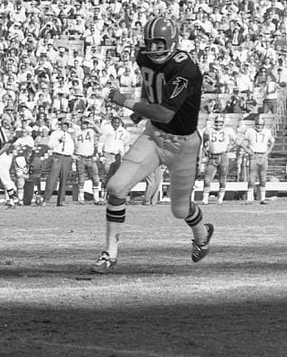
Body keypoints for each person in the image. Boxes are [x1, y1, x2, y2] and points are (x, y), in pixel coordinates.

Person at [90, 17, 214, 274]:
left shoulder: (186, 69)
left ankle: (202, 234)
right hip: (155, 135)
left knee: (180, 209)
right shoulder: (143, 58)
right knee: (115, 187)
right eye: (151, 43)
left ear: (171, 42)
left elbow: (167, 113)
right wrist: (141, 110)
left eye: (160, 42)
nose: (155, 48)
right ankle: (110, 253)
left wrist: (125, 102)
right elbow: (150, 88)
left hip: (184, 144)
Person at [201, 114, 235, 205]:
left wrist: (230, 147)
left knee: (222, 178)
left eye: (220, 122)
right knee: (207, 179)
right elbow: (204, 142)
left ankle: (220, 198)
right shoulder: (208, 130)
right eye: (217, 122)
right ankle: (205, 198)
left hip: (223, 155)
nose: (218, 124)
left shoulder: (228, 130)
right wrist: (205, 150)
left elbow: (235, 140)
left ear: (223, 123)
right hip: (212, 156)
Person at [40, 118, 74, 207]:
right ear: (60, 125)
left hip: (66, 157)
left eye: (67, 125)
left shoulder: (69, 135)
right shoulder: (55, 133)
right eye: (64, 124)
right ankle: (46, 199)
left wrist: (71, 155)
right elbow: (50, 145)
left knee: (64, 180)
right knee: (52, 178)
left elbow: (70, 147)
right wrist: (59, 140)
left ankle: (61, 200)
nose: (65, 126)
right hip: (57, 156)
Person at [241, 114, 274, 205]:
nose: (259, 127)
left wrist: (268, 152)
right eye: (258, 125)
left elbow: (272, 141)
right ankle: (249, 198)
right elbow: (240, 141)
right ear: (255, 124)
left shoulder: (267, 132)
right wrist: (248, 150)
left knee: (263, 178)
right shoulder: (250, 131)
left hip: (263, 155)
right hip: (254, 156)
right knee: (252, 178)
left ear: (263, 126)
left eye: (261, 125)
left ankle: (262, 198)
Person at [73, 118, 101, 204]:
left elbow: (100, 132)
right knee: (81, 179)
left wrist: (91, 122)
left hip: (90, 157)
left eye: (86, 123)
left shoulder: (91, 131)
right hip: (80, 157)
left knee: (95, 178)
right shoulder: (76, 132)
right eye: (83, 123)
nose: (85, 125)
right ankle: (81, 197)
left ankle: (96, 197)